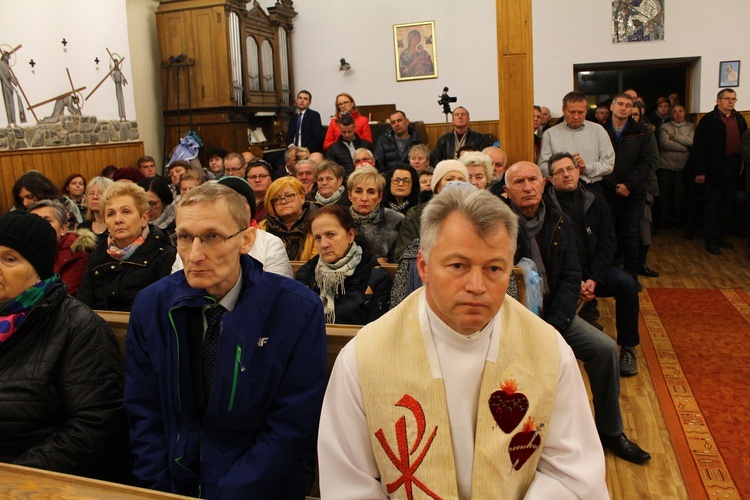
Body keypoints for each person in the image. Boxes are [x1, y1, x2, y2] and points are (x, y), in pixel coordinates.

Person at [318, 185, 609, 499]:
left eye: (493, 268)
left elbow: (572, 475)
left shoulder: (549, 352)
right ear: (424, 267)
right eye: (458, 266)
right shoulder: (364, 357)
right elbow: (348, 482)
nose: (476, 286)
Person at [124, 183, 327, 498]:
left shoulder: (295, 309)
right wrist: (158, 489)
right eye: (184, 237)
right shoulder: (151, 307)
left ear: (246, 239)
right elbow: (144, 412)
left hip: (261, 488)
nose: (195, 254)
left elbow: (292, 424)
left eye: (212, 237)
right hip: (175, 485)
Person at [504, 161, 650, 464]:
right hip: (512, 320)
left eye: (533, 179)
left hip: (556, 315)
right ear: (506, 192)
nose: (528, 187)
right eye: (518, 182)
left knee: (605, 349)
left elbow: (571, 275)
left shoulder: (560, 222)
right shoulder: (496, 226)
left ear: (544, 184)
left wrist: (555, 325)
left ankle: (610, 431)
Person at [0, 211, 129, 481]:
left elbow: (96, 425)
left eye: (9, 259)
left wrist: (16, 477)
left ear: (39, 271)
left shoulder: (78, 327)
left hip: (34, 479)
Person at [545, 153, 643, 376]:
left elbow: (608, 243)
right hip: (561, 276)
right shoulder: (545, 205)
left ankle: (628, 347)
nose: (566, 174)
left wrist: (593, 279)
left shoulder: (596, 200)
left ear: (579, 171)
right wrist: (574, 281)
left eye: (570, 168)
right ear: (550, 179)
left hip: (594, 272)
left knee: (627, 284)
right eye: (559, 171)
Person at [77, 182, 176, 311]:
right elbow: (84, 306)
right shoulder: (98, 255)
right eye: (111, 214)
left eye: (126, 212)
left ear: (144, 218)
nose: (118, 220)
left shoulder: (164, 253)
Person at [171, 176, 293, 279]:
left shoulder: (269, 243)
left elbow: (275, 290)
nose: (194, 256)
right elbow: (177, 284)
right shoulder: (190, 245)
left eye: (240, 201)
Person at [297, 205, 392, 324]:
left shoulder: (376, 278)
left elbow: (376, 330)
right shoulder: (306, 274)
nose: (324, 244)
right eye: (317, 238)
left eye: (331, 235)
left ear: (350, 235)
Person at [602, 93, 658, 280]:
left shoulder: (643, 131)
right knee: (608, 235)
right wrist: (614, 185)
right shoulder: (601, 130)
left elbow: (646, 162)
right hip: (608, 191)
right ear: (612, 106)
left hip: (633, 193)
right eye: (620, 104)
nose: (623, 108)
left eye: (628, 105)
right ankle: (608, 276)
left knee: (632, 235)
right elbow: (599, 160)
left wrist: (628, 185)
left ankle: (631, 277)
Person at [687, 88, 747, 254]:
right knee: (713, 205)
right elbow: (699, 148)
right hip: (714, 168)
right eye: (727, 98)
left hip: (733, 166)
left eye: (733, 99)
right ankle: (711, 239)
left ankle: (721, 236)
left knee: (727, 205)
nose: (730, 102)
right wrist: (700, 172)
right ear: (718, 100)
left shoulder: (739, 119)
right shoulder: (708, 120)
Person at [394, 160, 469, 259]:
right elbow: (404, 252)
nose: (455, 183)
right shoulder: (416, 214)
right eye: (449, 179)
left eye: (461, 180)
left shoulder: (473, 214)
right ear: (437, 186)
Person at [538, 91, 615, 186]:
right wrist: (564, 170)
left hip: (591, 187)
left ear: (586, 110)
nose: (576, 116)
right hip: (560, 189)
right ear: (563, 109)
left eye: (581, 112)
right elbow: (542, 167)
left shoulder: (598, 131)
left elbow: (609, 164)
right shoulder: (550, 134)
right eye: (572, 112)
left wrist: (585, 167)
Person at [29, 199, 98, 296]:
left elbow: (65, 297)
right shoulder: (27, 252)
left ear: (63, 228)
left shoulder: (76, 253)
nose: (39, 226)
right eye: (33, 221)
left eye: (47, 221)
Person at [347, 167, 404, 263]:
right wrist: (373, 262)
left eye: (371, 192)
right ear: (349, 195)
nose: (364, 198)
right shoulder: (339, 220)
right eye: (358, 191)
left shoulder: (396, 220)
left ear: (379, 197)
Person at [259, 176, 319, 261]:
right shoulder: (262, 228)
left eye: (289, 196)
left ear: (302, 198)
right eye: (277, 199)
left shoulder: (319, 223)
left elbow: (317, 262)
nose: (283, 201)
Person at [658, 104, 695, 228]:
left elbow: (692, 142)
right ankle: (664, 219)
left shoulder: (691, 127)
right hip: (665, 165)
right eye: (675, 112)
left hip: (682, 167)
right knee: (665, 194)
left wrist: (674, 137)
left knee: (679, 194)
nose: (678, 114)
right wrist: (685, 148)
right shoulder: (664, 127)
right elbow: (664, 144)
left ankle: (676, 219)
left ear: (685, 113)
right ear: (671, 114)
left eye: (680, 111)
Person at [12, 170, 82, 225]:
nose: (25, 203)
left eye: (29, 196)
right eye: (22, 199)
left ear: (42, 191)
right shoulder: (18, 210)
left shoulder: (66, 204)